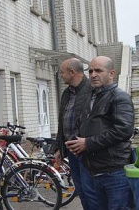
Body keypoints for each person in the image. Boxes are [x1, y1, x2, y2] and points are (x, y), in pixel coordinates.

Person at [66, 56, 135, 210]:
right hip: (93, 170)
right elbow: (81, 123)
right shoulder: (91, 96)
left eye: (98, 70)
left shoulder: (119, 97)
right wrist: (75, 141)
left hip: (114, 171)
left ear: (111, 74)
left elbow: (123, 130)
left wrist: (87, 143)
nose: (93, 74)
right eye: (90, 71)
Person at [53, 58, 98, 209]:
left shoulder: (92, 90)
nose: (60, 75)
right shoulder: (67, 93)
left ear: (72, 72)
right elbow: (62, 122)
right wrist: (59, 147)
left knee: (90, 191)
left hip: (87, 152)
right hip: (72, 151)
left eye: (62, 72)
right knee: (81, 191)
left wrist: (87, 143)